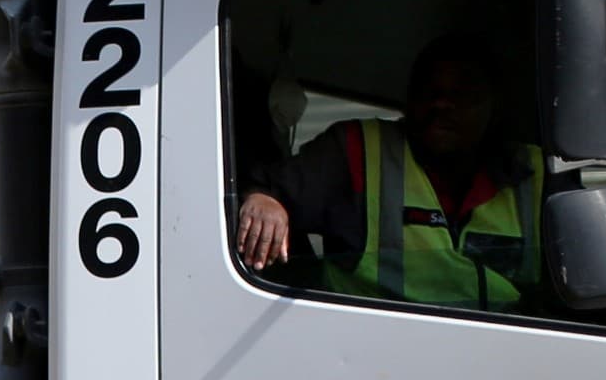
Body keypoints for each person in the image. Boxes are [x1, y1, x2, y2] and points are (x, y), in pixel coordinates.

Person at [234, 29, 545, 312]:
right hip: (369, 352)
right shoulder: (358, 150)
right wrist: (265, 200)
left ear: (494, 105)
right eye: (429, 90)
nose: (441, 104)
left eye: (462, 91)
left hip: (505, 355)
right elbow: (265, 186)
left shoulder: (533, 174)